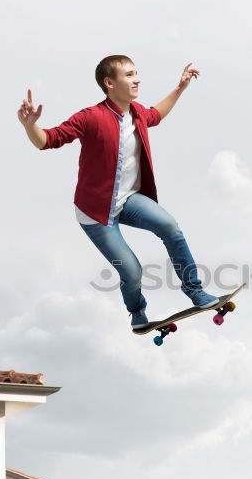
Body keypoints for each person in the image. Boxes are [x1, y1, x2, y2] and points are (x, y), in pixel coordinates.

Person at [17, 55, 218, 330]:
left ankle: (195, 290)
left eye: (136, 73)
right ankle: (137, 313)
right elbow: (48, 140)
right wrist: (31, 126)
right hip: (96, 212)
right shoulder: (90, 118)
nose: (137, 79)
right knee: (132, 270)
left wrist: (180, 88)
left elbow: (157, 113)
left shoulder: (137, 113)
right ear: (109, 83)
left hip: (128, 200)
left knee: (170, 227)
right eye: (129, 74)